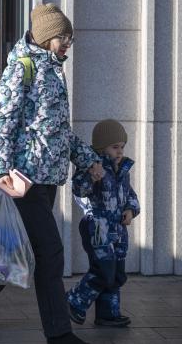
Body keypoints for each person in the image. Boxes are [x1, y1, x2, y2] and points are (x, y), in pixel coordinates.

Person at [0, 3, 103, 344]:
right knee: (50, 251)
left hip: (48, 177)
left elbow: (58, 131)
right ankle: (59, 333)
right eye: (61, 37)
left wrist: (87, 158)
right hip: (25, 179)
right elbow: (2, 125)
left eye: (70, 37)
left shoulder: (54, 71)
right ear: (45, 37)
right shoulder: (21, 69)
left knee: (13, 246)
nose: (67, 43)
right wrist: (2, 170)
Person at [66, 119, 139, 327]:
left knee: (116, 273)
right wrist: (91, 178)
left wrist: (130, 209)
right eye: (115, 147)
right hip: (97, 227)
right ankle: (73, 301)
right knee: (103, 270)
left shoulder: (122, 169)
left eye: (122, 147)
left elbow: (130, 194)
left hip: (117, 230)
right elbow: (79, 190)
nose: (120, 151)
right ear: (100, 147)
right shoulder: (93, 166)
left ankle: (107, 314)